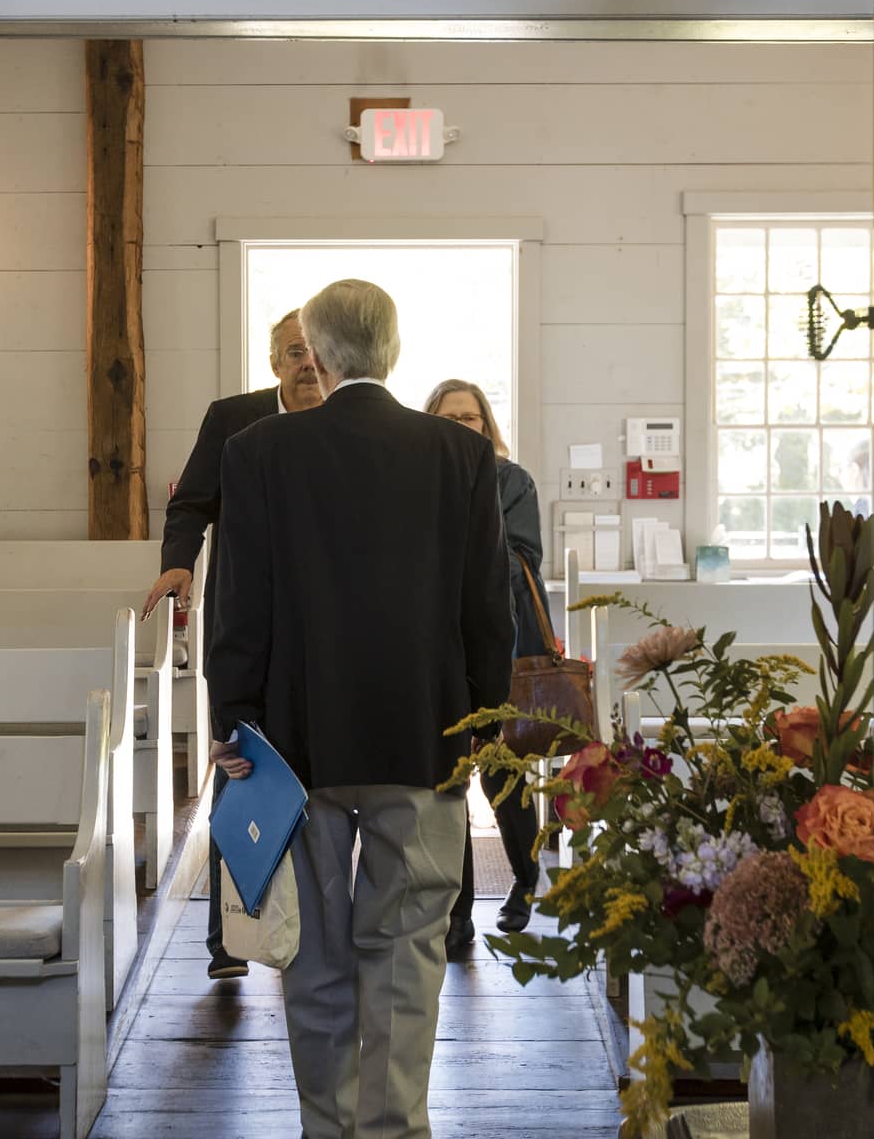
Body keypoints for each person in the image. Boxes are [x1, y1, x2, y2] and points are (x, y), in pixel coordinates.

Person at [208, 279, 514, 1139]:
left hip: (295, 745)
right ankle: (395, 1125)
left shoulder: (262, 451)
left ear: (320, 351)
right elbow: (488, 609)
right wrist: (481, 725)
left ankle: (326, 1125)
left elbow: (242, 602)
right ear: (392, 349)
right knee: (410, 952)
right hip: (423, 738)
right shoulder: (459, 457)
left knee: (311, 952)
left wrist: (236, 721)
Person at [142, 309, 322, 981]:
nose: (307, 362)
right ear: (275, 361)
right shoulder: (232, 419)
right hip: (245, 627)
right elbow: (191, 502)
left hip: (324, 629)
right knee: (242, 771)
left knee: (318, 780)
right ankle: (227, 939)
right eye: (294, 351)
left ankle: (312, 927)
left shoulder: (345, 427)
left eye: (317, 350)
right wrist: (179, 559)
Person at [424, 379, 545, 955]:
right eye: (450, 417)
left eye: (470, 417)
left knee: (504, 774)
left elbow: (523, 557)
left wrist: (464, 544)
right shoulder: (420, 479)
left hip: (503, 643)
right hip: (440, 647)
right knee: (450, 784)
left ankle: (525, 878)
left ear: (486, 424)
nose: (461, 426)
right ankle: (458, 913)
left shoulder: (511, 479)